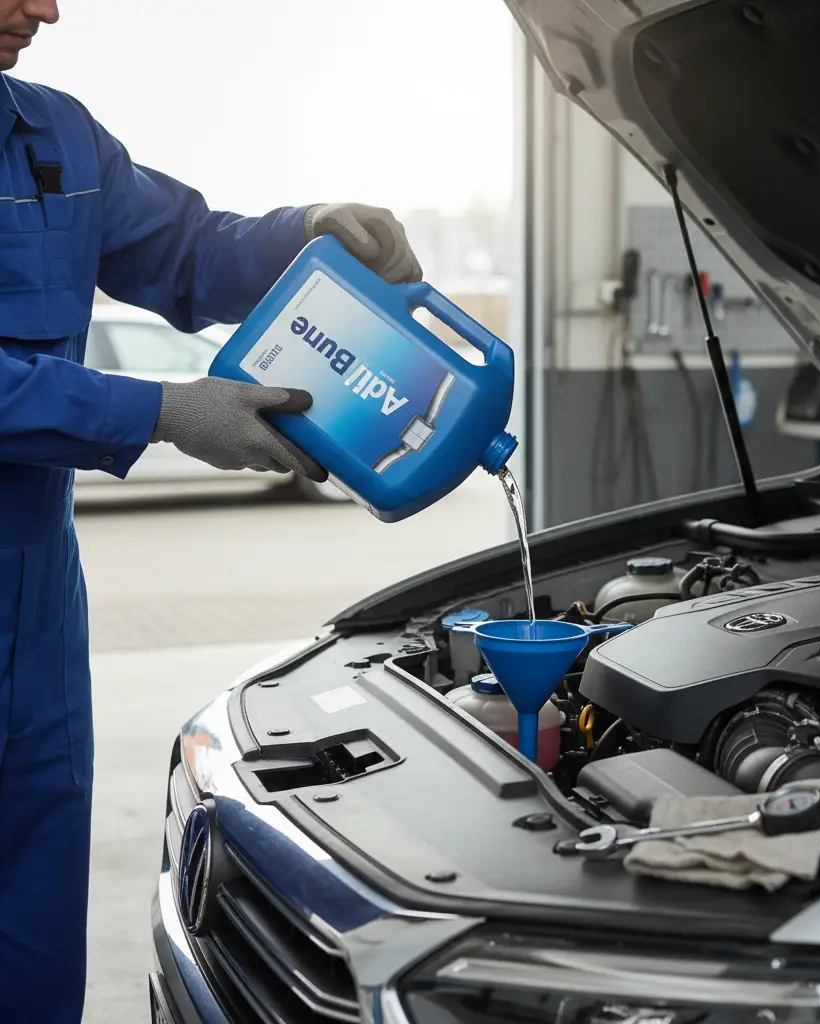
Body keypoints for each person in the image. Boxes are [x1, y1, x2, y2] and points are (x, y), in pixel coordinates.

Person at [0, 2, 424, 1021]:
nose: (48, 8)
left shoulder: (57, 137)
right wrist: (158, 409)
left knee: (32, 924)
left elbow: (189, 252)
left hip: (35, 616)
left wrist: (308, 235)